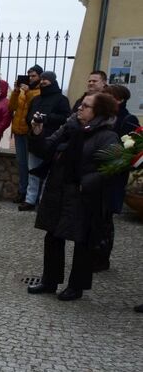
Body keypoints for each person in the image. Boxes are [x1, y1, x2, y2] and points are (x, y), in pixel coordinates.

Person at [26, 93, 120, 301]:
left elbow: (113, 169)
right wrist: (37, 131)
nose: (80, 109)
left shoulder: (107, 136)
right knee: (53, 236)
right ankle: (49, 281)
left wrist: (85, 184)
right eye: (80, 105)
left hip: (82, 195)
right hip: (58, 189)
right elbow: (45, 149)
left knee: (82, 241)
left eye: (86, 106)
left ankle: (76, 286)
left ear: (99, 111)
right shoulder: (69, 127)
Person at [95, 84, 141, 272]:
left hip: (113, 175)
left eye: (107, 94)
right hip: (98, 173)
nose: (102, 96)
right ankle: (94, 254)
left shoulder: (128, 119)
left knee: (105, 218)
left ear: (119, 99)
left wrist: (112, 162)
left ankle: (102, 258)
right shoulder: (104, 117)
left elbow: (132, 149)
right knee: (96, 217)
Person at [25, 71, 72, 208]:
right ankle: (29, 200)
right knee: (32, 171)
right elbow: (28, 116)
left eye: (46, 79)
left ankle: (43, 201)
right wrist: (32, 121)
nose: (43, 81)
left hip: (52, 140)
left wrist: (47, 118)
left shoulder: (62, 99)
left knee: (48, 174)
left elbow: (65, 118)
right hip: (35, 138)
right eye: (42, 79)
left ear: (53, 81)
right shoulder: (36, 99)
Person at [9, 65, 42, 208]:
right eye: (29, 76)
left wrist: (27, 92)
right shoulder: (22, 91)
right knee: (21, 163)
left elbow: (34, 106)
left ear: (40, 77)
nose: (30, 78)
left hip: (30, 133)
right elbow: (11, 107)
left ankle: (32, 195)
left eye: (34, 76)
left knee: (32, 165)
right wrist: (16, 92)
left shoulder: (39, 92)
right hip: (18, 131)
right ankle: (22, 191)